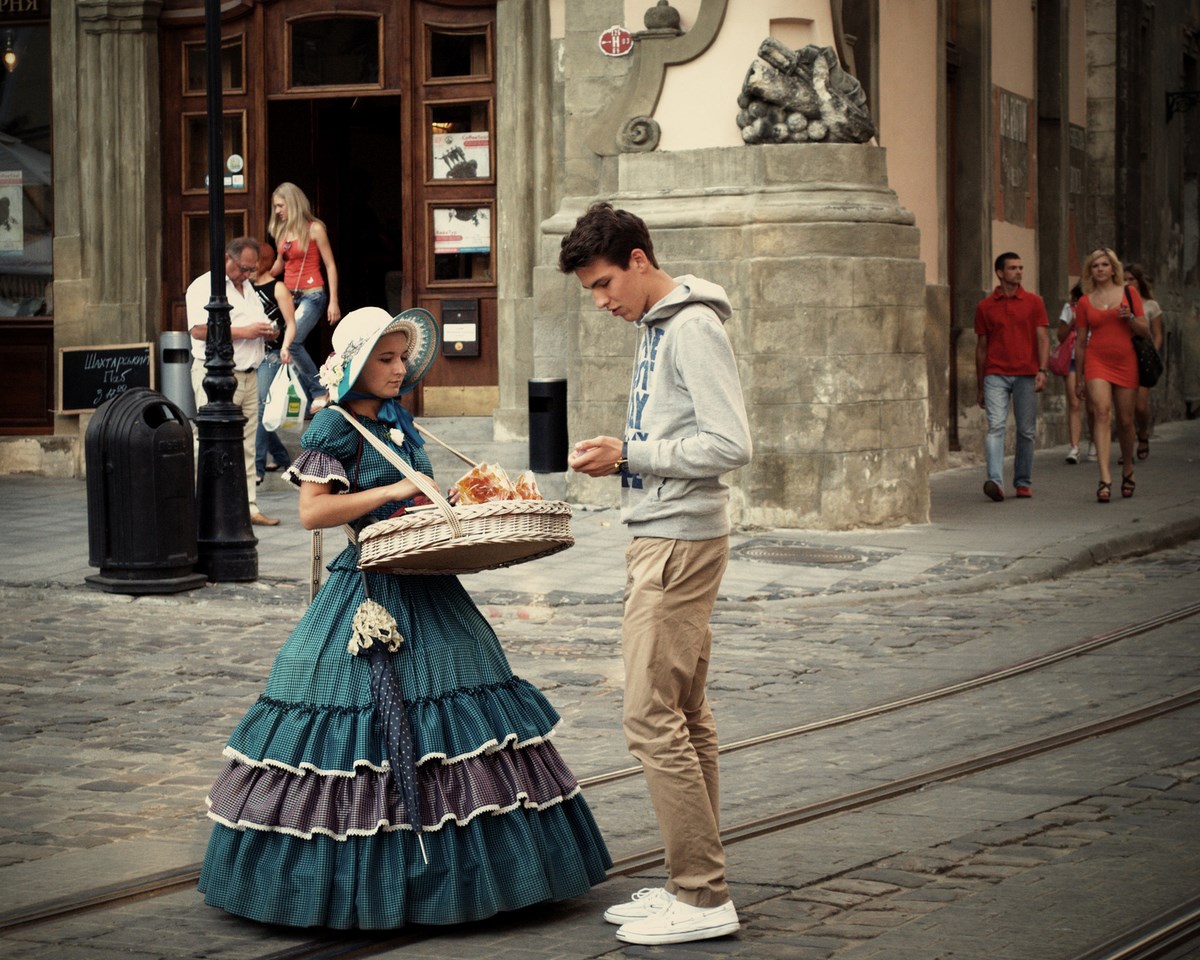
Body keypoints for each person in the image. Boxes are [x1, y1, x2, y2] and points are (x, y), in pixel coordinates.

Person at [197, 306, 610, 929]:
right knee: (357, 724)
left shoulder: (398, 421)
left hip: (424, 578)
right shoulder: (333, 428)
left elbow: (424, 500)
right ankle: (363, 878)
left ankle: (474, 872)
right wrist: (391, 492)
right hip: (368, 591)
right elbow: (314, 513)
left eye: (400, 360)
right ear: (358, 364)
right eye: (384, 361)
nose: (397, 371)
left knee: (465, 707)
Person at [559, 202, 751, 947]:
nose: (602, 300)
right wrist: (625, 446)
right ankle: (691, 883)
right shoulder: (658, 325)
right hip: (667, 535)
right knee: (685, 715)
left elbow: (728, 443)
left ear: (639, 260)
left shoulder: (692, 326)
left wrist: (631, 457)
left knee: (649, 717)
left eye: (605, 283)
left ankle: (703, 897)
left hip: (677, 543)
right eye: (590, 291)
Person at [187, 235, 280, 526]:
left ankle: (248, 506)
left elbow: (254, 323)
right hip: (216, 374)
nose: (248, 274)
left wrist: (267, 332)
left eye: (252, 269)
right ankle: (201, 503)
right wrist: (246, 331)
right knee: (208, 440)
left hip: (249, 374)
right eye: (244, 268)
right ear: (227, 258)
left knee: (248, 443)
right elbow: (199, 330)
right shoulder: (205, 286)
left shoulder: (247, 288)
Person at [1074, 247, 1150, 502]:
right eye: (1095, 266)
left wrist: (1129, 317)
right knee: (1102, 413)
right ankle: (1104, 477)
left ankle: (1127, 468)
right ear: (1090, 271)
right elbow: (1081, 341)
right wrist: (1080, 377)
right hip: (1097, 360)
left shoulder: (1130, 294)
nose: (1100, 269)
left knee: (1126, 421)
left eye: (1105, 265)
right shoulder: (1084, 301)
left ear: (1113, 268)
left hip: (1126, 360)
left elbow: (1144, 331)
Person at [973, 252, 1050, 501]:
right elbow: (981, 347)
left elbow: (1042, 338)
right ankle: (995, 481)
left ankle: (1023, 481)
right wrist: (980, 384)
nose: (1018, 272)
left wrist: (1042, 369)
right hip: (995, 373)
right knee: (996, 426)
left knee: (1026, 431)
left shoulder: (1034, 302)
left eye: (1020, 267)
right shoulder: (985, 307)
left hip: (1026, 374)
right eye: (1013, 268)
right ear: (1000, 273)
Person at [268, 181, 341, 413]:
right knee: (286, 346)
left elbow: (330, 265)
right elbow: (279, 266)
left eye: (280, 205)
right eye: (276, 206)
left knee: (293, 341)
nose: (277, 211)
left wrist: (334, 301)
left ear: (293, 203)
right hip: (289, 296)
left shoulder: (314, 229)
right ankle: (301, 400)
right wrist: (255, 277)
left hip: (312, 294)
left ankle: (319, 391)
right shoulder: (281, 232)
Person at [252, 239, 297, 482]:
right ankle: (283, 458)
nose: (249, 266)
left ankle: (257, 469)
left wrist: (285, 345)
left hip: (270, 355)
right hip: (248, 355)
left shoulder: (277, 288)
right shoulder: (244, 288)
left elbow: (290, 323)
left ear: (266, 261)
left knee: (260, 409)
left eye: (254, 260)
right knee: (257, 412)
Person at [1123, 263, 1165, 461]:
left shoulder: (1150, 305)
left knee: (1140, 406)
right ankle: (1127, 450)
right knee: (1126, 409)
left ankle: (1143, 434)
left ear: (1138, 282)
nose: (1128, 282)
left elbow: (1157, 335)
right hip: (1124, 357)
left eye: (1131, 279)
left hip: (1143, 358)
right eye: (1124, 279)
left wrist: (1152, 353)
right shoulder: (1120, 303)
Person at [1055, 284, 1092, 464]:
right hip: (1072, 359)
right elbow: (1060, 336)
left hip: (1095, 359)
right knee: (1074, 402)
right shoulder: (1069, 307)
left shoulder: (1103, 304)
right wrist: (1073, 322)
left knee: (1094, 405)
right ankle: (1075, 447)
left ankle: (1094, 442)